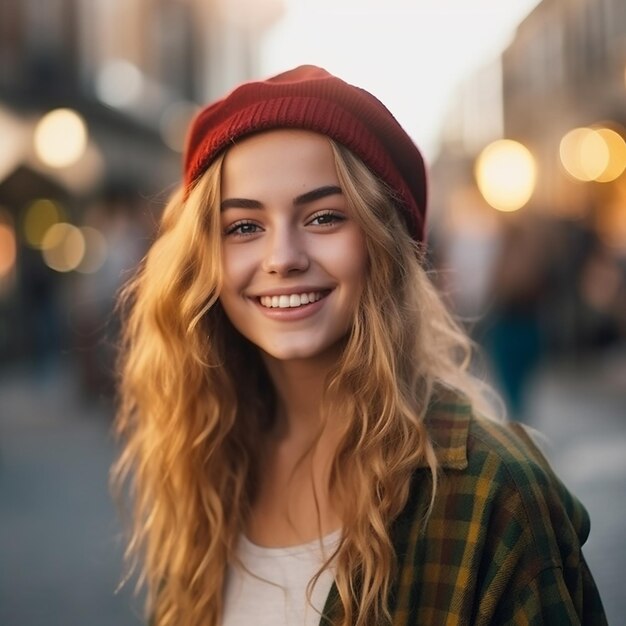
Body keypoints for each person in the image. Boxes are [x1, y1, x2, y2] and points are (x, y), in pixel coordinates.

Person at [112, 65, 607, 626]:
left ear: (384, 244)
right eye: (244, 227)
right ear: (203, 258)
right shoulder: (205, 461)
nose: (283, 257)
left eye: (324, 217)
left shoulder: (496, 495)